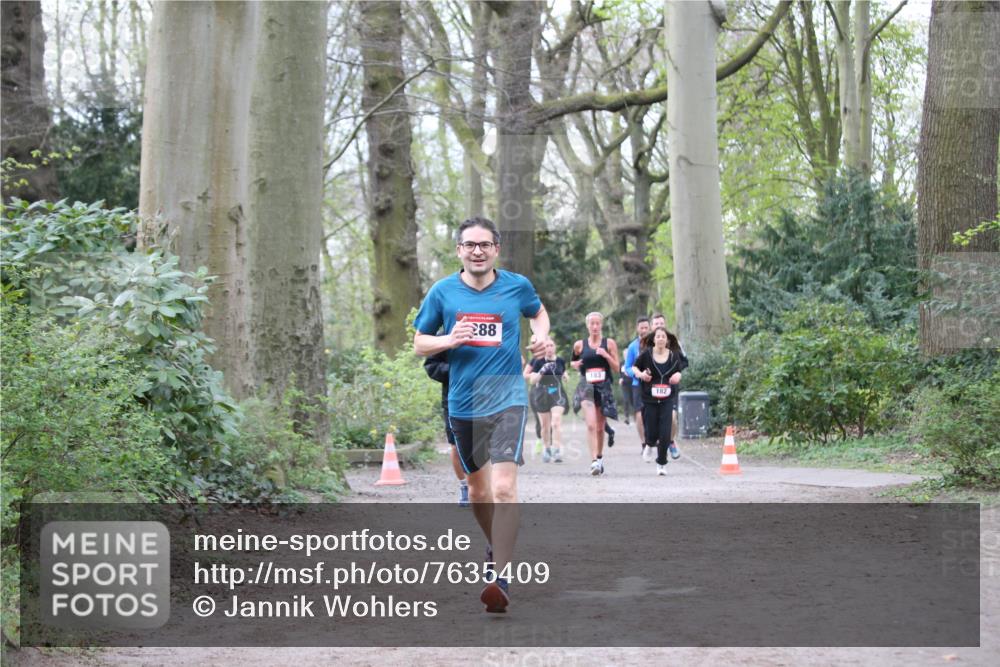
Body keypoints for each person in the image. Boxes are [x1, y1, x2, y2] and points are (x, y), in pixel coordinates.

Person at [413, 216, 549, 614]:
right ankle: (495, 546)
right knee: (478, 491)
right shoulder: (442, 292)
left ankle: (500, 577)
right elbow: (419, 343)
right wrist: (447, 340)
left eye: (484, 245)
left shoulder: (516, 286)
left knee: (505, 488)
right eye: (469, 245)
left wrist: (540, 336)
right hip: (464, 401)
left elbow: (537, 313)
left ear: (495, 250)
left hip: (508, 397)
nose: (477, 251)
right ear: (459, 251)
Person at [571, 312, 619, 476]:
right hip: (586, 387)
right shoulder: (579, 345)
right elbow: (573, 361)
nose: (595, 326)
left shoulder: (609, 344)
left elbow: (617, 368)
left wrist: (606, 355)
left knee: (599, 428)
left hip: (603, 388)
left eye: (597, 323)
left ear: (601, 325)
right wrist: (574, 364)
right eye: (592, 323)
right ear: (587, 326)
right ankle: (593, 462)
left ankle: (599, 457)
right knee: (591, 425)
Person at [632, 326, 685, 476]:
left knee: (665, 431)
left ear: (667, 340)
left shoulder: (674, 355)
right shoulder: (646, 355)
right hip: (650, 398)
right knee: (652, 428)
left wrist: (677, 377)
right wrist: (641, 375)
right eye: (658, 336)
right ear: (654, 339)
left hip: (667, 397)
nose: (661, 339)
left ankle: (661, 463)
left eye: (663, 336)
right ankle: (649, 444)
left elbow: (679, 371)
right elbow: (634, 368)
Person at [423, 351, 469, 507]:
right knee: (456, 447)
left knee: (482, 446)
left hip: (483, 398)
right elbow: (431, 365)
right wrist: (456, 369)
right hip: (453, 400)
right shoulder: (444, 336)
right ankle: (465, 486)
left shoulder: (486, 330)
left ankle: (483, 486)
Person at [523, 337, 567, 463]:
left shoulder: (560, 361)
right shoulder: (537, 361)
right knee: (544, 426)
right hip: (542, 393)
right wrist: (542, 371)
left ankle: (557, 450)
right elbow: (532, 380)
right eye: (546, 346)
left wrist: (565, 376)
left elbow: (563, 372)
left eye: (551, 345)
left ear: (555, 347)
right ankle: (547, 448)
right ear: (543, 348)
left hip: (557, 393)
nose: (549, 348)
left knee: (556, 422)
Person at [621, 316, 651, 460]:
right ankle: (644, 443)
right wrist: (638, 374)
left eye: (646, 327)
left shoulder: (656, 343)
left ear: (649, 328)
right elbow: (627, 367)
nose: (644, 330)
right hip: (637, 384)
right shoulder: (633, 346)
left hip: (654, 384)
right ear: (637, 329)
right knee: (639, 413)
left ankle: (653, 439)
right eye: (641, 328)